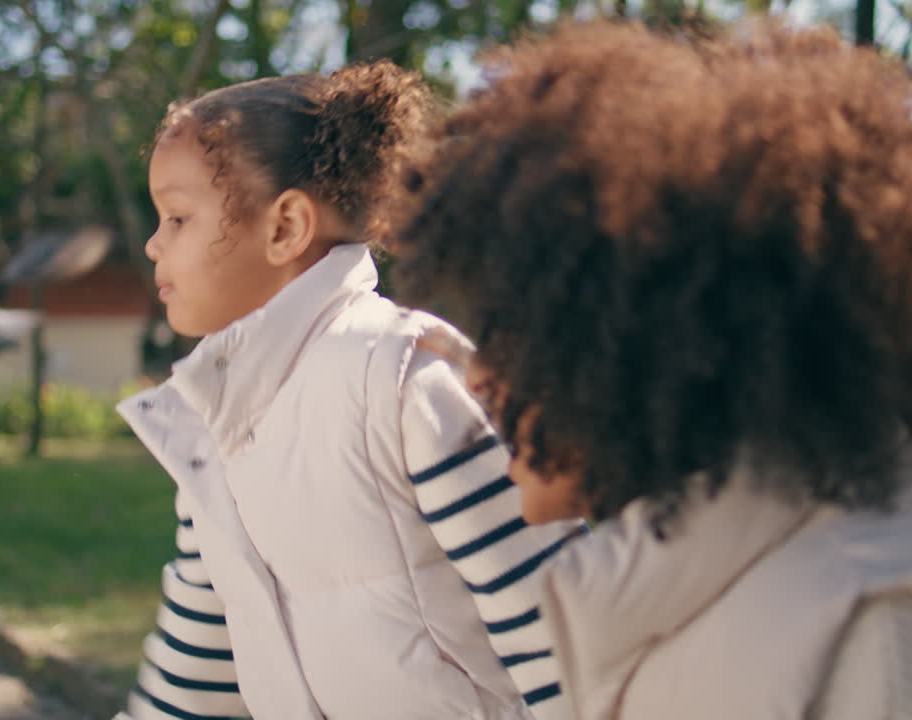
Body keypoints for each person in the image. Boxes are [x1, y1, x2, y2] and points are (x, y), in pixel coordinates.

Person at [392, 22, 912, 720]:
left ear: (655, 333)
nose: (478, 376)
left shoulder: (894, 635)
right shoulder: (675, 591)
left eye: (515, 331)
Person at [115, 61, 587, 720]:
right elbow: (191, 685)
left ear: (285, 227)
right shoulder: (209, 428)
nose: (152, 244)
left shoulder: (401, 376)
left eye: (177, 218)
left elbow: (559, 638)